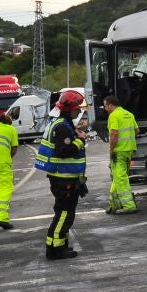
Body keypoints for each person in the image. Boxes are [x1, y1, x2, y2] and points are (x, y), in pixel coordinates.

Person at [34, 90, 88, 261]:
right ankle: (55, 250)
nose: (79, 111)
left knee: (65, 213)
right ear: (69, 109)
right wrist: (81, 140)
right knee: (64, 213)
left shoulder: (62, 123)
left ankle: (60, 245)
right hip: (63, 178)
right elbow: (63, 151)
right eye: (77, 108)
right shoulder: (63, 126)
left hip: (63, 177)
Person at [103, 94, 138, 214]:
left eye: (105, 106)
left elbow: (114, 134)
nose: (105, 109)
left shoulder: (113, 115)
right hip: (129, 150)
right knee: (118, 176)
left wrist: (111, 150)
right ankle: (114, 204)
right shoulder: (129, 114)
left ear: (110, 105)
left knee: (120, 178)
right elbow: (137, 130)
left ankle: (129, 205)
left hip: (119, 151)